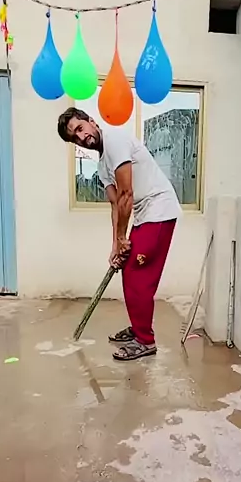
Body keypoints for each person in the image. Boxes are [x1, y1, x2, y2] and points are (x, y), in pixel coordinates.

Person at [57, 107, 181, 361]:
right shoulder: (102, 164)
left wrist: (124, 238)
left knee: (140, 277)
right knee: (128, 270)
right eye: (74, 137)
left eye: (80, 128)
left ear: (91, 122)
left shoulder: (115, 141)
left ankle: (145, 341)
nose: (81, 137)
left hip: (159, 209)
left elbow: (126, 194)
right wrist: (116, 245)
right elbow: (115, 204)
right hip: (144, 214)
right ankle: (138, 327)